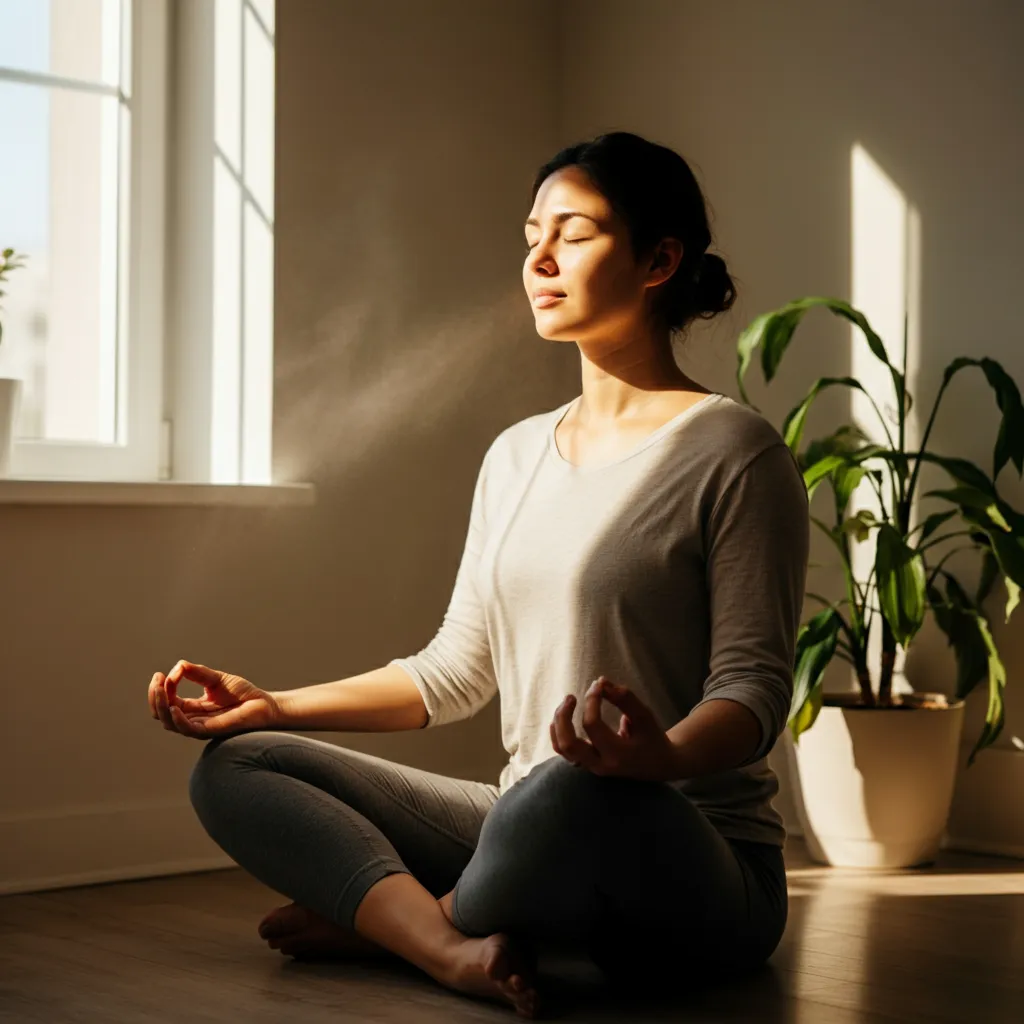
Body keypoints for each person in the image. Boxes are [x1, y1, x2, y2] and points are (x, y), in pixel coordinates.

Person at [147, 131, 810, 1019]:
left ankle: (400, 927)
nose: (539, 256)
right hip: (526, 822)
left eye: (572, 233)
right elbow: (453, 670)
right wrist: (275, 704)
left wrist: (660, 757)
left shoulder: (736, 452)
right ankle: (449, 946)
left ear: (659, 260)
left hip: (692, 857)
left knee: (571, 792)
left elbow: (755, 691)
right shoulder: (515, 455)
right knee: (238, 766)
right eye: (531, 233)